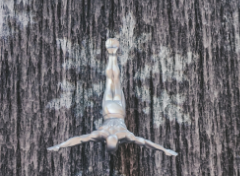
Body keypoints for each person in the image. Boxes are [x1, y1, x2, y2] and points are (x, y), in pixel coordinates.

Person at [48, 38, 177, 156]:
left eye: (110, 139)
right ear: (117, 142)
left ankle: (111, 54)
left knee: (111, 80)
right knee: (116, 80)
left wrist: (60, 146)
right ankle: (113, 54)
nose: (112, 136)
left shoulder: (100, 134)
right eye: (114, 139)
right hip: (119, 110)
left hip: (108, 109)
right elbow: (145, 143)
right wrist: (164, 150)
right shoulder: (126, 136)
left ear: (107, 141)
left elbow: (79, 139)